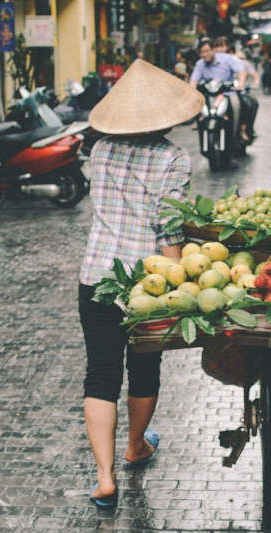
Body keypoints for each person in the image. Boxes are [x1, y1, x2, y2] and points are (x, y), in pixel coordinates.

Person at [79, 60, 204, 509]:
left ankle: (104, 478)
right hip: (146, 282)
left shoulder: (99, 150)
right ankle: (135, 447)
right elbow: (168, 227)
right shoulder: (172, 157)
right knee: (144, 367)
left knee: (101, 373)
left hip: (96, 275)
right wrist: (180, 286)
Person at [190, 38, 251, 142]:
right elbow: (193, 80)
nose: (204, 54)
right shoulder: (200, 64)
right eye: (202, 52)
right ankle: (199, 123)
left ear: (213, 49)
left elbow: (241, 71)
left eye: (206, 51)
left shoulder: (227, 59)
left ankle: (238, 131)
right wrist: (191, 91)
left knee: (238, 105)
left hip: (228, 93)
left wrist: (240, 84)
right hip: (209, 95)